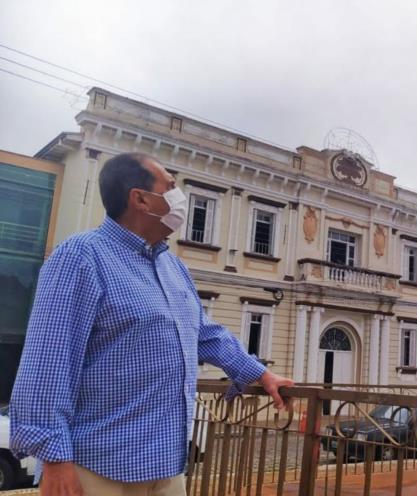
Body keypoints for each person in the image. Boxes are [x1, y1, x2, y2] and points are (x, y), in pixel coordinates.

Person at [10, 153, 293, 496]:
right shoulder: (82, 256)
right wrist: (54, 459)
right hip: (99, 467)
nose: (180, 198)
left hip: (166, 465)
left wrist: (260, 374)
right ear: (140, 198)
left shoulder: (174, 269)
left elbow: (204, 334)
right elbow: (48, 360)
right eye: (171, 187)